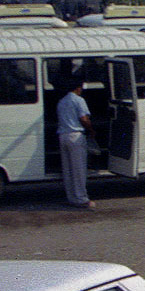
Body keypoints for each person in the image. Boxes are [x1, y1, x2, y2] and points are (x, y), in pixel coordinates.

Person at [56, 77, 95, 209]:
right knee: (79, 169)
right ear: (78, 88)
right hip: (75, 135)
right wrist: (90, 129)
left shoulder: (61, 101)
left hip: (63, 135)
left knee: (68, 169)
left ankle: (72, 197)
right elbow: (84, 118)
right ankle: (81, 198)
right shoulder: (79, 100)